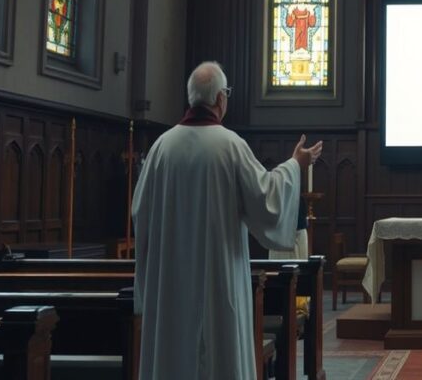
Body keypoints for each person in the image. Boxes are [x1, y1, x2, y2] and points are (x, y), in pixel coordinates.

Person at [132, 61, 322, 379]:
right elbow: (267, 199)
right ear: (221, 99)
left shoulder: (161, 149)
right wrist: (294, 165)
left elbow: (141, 214)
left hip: (170, 289)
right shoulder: (229, 146)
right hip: (216, 284)